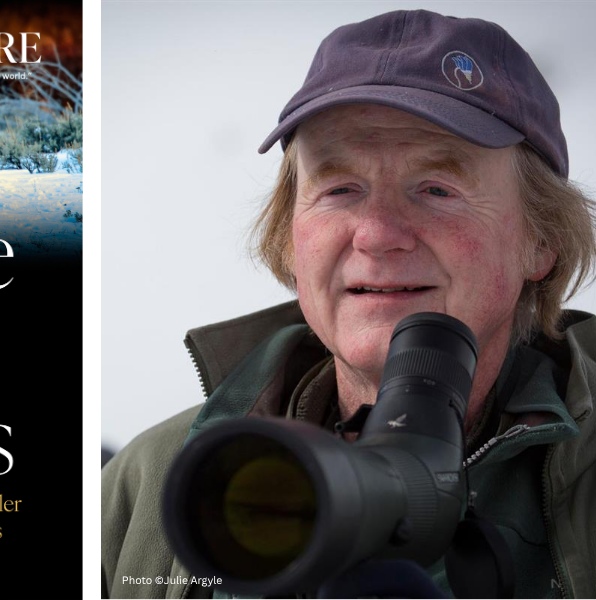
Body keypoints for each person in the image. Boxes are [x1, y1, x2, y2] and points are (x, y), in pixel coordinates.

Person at [102, 9, 596, 599]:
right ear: (289, 233)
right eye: (340, 189)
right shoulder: (158, 480)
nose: (377, 232)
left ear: (540, 239)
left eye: (436, 189)